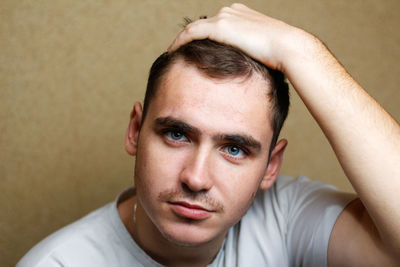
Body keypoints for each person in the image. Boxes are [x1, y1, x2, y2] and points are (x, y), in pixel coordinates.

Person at [18, 3, 400, 267]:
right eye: (177, 135)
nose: (196, 178)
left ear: (271, 165)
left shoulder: (286, 218)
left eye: (234, 148)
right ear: (135, 131)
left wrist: (301, 51)